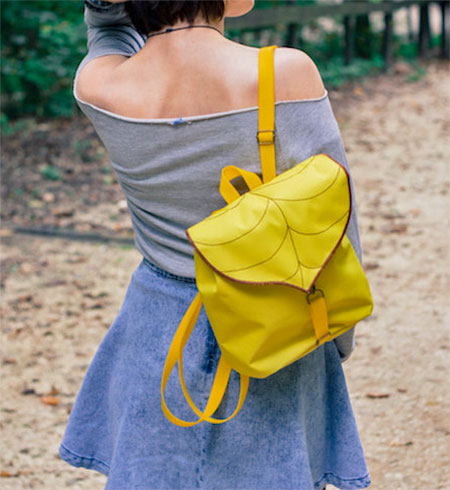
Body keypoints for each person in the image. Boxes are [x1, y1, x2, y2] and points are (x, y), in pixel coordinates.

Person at [59, 1, 371, 489]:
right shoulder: (281, 74)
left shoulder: (100, 84)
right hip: (275, 319)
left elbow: (107, 31)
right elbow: (335, 225)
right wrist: (335, 335)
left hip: (156, 332)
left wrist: (111, 7)